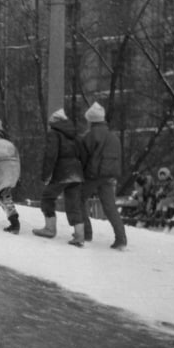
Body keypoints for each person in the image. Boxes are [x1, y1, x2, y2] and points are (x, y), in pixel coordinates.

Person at [32, 109, 86, 245]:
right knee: (73, 204)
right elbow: (83, 155)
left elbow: (51, 155)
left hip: (62, 172)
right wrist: (81, 172)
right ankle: (79, 236)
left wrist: (46, 175)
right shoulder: (74, 134)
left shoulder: (54, 134)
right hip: (77, 173)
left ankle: (50, 229)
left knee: (47, 197)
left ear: (54, 122)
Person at [78, 102, 128, 249]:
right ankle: (121, 239)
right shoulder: (114, 137)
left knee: (78, 199)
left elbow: (83, 157)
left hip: (93, 176)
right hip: (109, 176)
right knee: (110, 207)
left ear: (91, 120)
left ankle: (87, 233)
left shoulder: (90, 136)